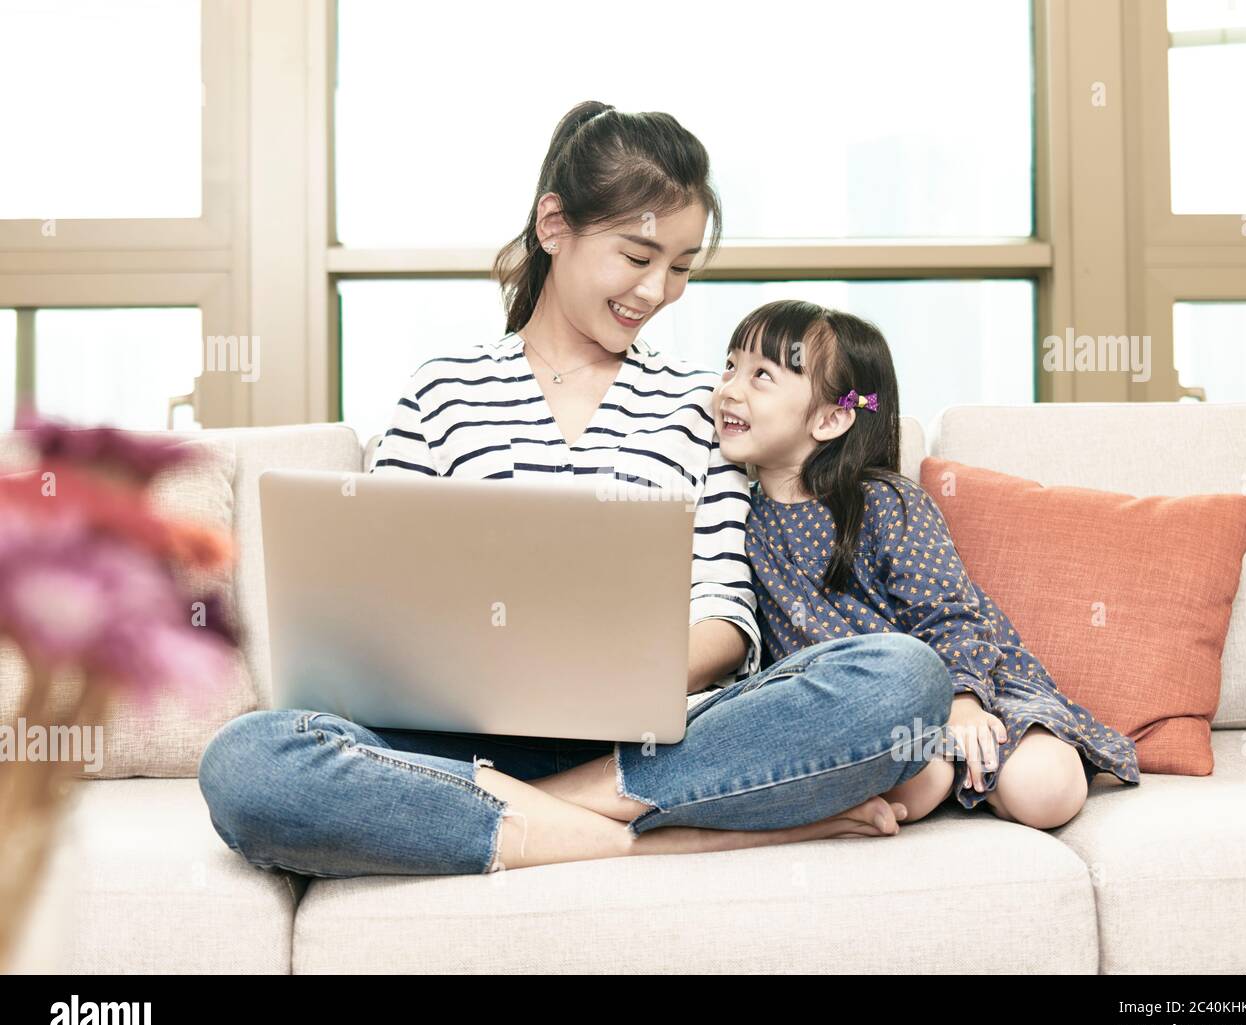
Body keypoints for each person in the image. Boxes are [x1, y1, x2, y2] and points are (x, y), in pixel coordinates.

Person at [198, 103, 952, 879]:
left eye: (684, 266)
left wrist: (610, 673)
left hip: (659, 741)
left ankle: (529, 812)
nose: (659, 290)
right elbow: (377, 615)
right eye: (638, 255)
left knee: (904, 677)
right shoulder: (444, 392)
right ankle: (671, 834)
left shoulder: (700, 406)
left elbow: (727, 617)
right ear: (554, 225)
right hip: (457, 740)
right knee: (247, 761)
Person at [716, 298, 1141, 829]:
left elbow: (948, 612)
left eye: (761, 376)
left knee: (1048, 790)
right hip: (866, 717)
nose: (729, 388)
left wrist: (963, 701)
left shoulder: (885, 502)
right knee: (917, 782)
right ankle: (950, 774)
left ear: (830, 418)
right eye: (729, 365)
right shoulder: (734, 515)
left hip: (971, 685)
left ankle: (974, 768)